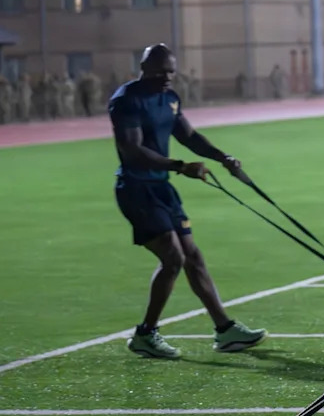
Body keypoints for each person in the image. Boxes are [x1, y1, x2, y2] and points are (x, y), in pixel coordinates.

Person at [109, 43, 267, 359]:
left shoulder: (170, 99)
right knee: (173, 258)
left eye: (171, 70)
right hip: (137, 189)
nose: (167, 77)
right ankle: (145, 334)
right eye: (160, 71)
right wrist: (180, 167)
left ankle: (225, 330)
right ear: (143, 68)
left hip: (162, 188)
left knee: (192, 256)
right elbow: (132, 149)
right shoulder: (126, 101)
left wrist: (223, 157)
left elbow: (189, 136)